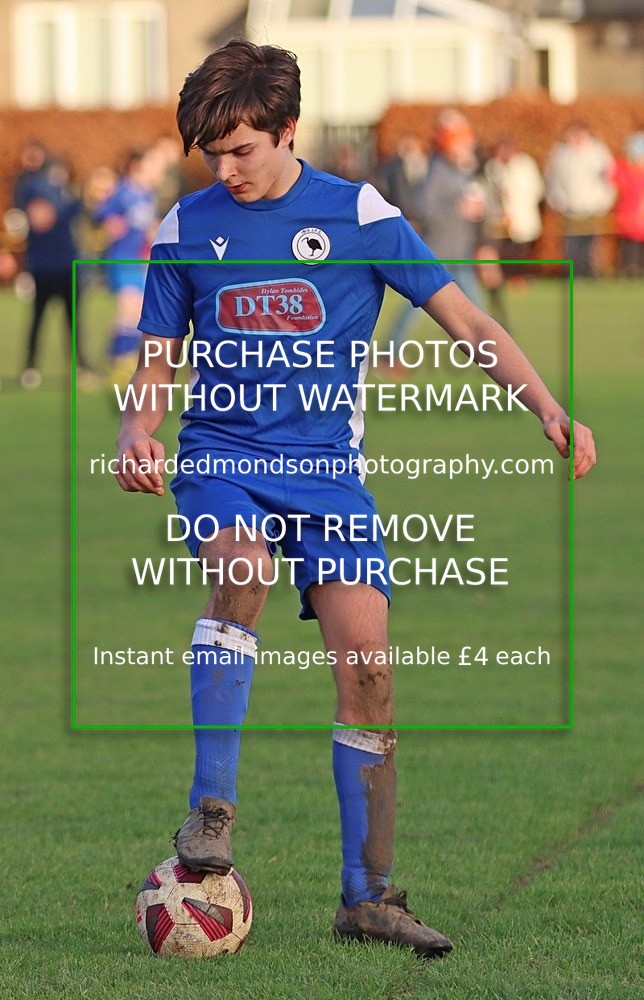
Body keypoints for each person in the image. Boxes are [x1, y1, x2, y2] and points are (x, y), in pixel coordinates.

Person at [115, 39, 596, 959]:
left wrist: (546, 407)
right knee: (242, 572)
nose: (227, 169)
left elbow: (466, 320)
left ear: (288, 131)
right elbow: (156, 363)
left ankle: (367, 897)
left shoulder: (361, 216)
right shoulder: (185, 229)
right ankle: (211, 813)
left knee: (370, 675)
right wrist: (138, 431)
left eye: (243, 149)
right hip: (223, 457)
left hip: (330, 478)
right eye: (212, 153)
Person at [13, 152, 92, 388]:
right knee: (43, 318)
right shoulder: (38, 191)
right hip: (47, 266)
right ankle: (32, 367)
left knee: (71, 320)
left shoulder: (62, 194)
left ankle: (78, 366)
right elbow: (44, 219)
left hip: (63, 265)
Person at [93, 147, 163, 385]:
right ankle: (120, 359)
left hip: (141, 259)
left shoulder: (148, 195)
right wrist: (111, 223)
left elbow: (147, 225)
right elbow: (102, 212)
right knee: (129, 307)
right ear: (136, 167)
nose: (157, 171)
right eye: (152, 165)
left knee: (136, 310)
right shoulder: (123, 191)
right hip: (123, 258)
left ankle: (119, 357)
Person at [544, 121, 615, 277]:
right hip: (570, 208)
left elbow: (609, 179)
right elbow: (552, 180)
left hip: (593, 206)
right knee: (572, 244)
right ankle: (574, 274)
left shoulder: (598, 153)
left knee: (591, 244)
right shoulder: (561, 154)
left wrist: (604, 201)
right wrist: (556, 200)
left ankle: (590, 273)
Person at [607, 131, 644, 278]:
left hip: (638, 217)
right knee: (629, 246)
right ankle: (630, 269)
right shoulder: (623, 170)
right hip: (629, 218)